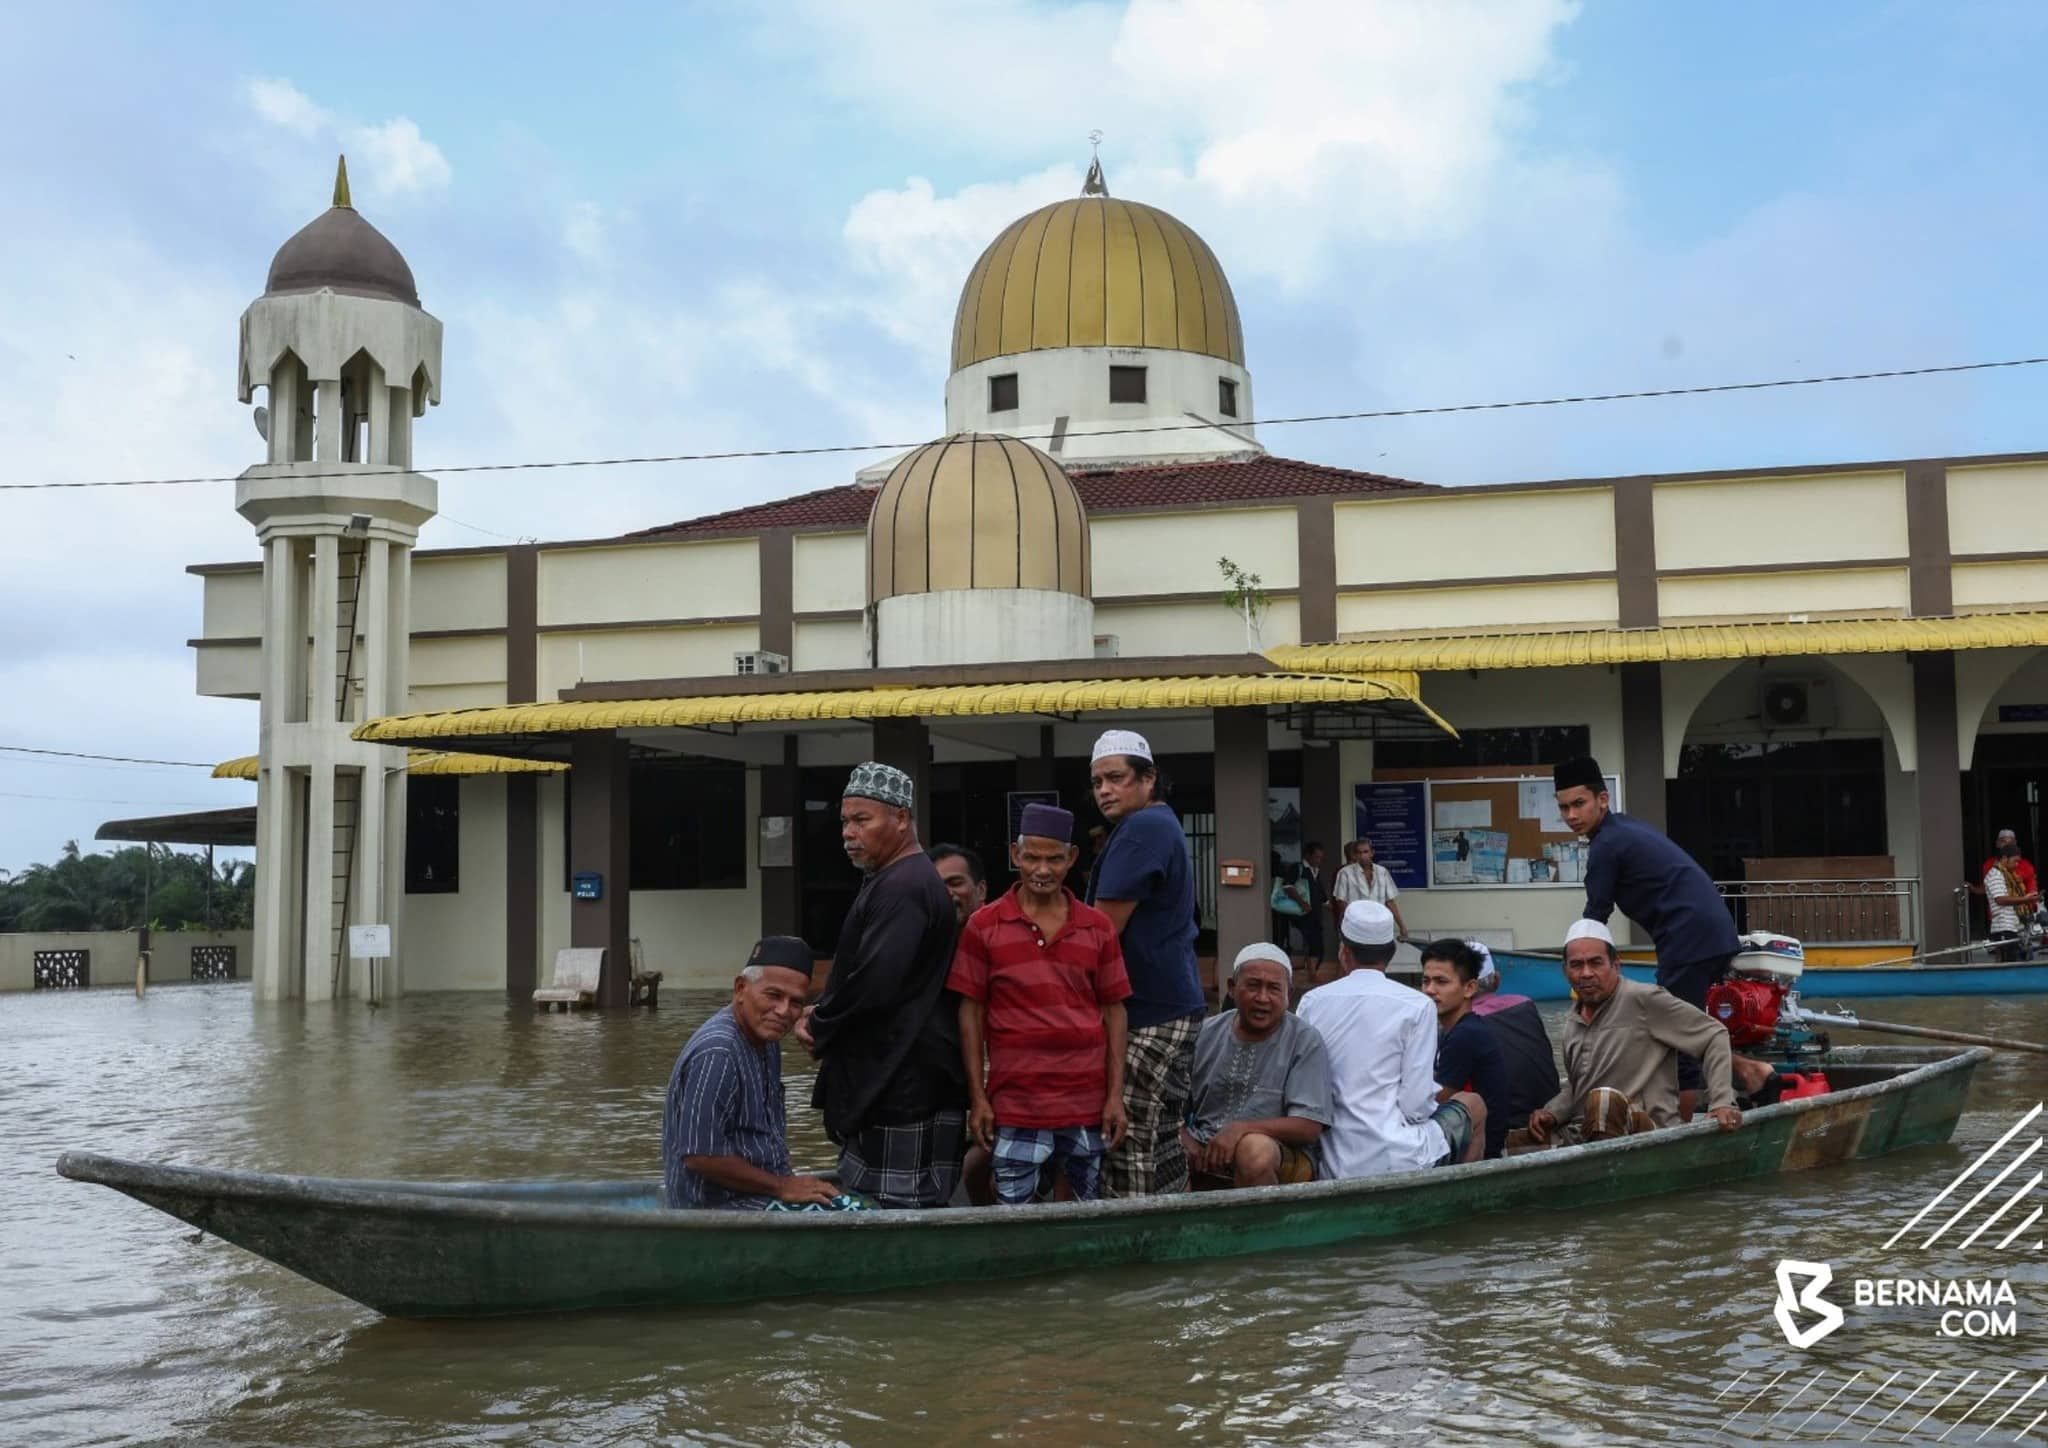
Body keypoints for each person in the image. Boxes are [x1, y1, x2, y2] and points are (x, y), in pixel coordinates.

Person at [1553, 756, 1772, 1110]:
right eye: (1563, 807)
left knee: (1674, 1033)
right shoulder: (1622, 830)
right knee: (1682, 1022)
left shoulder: (1606, 845)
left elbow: (1596, 914)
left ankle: (1680, 1127)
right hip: (1706, 932)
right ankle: (1748, 1069)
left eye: (1579, 804)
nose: (1571, 815)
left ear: (1602, 800)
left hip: (1689, 936)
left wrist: (1577, 967)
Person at [796, 762, 966, 1208]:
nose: (848, 833)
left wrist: (820, 1025)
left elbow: (875, 983)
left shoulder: (904, 885)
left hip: (904, 1083)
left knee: (896, 1211)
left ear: (902, 819)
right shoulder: (893, 879)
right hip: (900, 1077)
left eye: (862, 820)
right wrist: (824, 1012)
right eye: (845, 822)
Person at [951, 803, 1131, 1205]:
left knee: (1084, 1211)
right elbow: (970, 1012)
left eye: (1053, 858)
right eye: (1031, 857)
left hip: (1086, 1101)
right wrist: (978, 1098)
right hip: (1015, 1104)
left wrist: (1114, 1095)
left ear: (1071, 859)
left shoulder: (1097, 926)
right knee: (1014, 1211)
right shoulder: (985, 925)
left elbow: (1114, 1012)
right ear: (1015, 856)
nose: (1043, 869)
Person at [1086, 728, 1208, 1196]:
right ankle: (1175, 1227)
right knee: (1163, 1137)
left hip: (1147, 1011)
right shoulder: (1163, 824)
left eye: (1116, 778)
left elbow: (1101, 931)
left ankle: (1134, 1241)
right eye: (1098, 782)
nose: (1104, 791)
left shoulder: (1142, 829)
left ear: (1148, 778)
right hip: (1179, 1004)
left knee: (1127, 1136)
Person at [1297, 901, 1486, 1175]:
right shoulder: (1417, 1005)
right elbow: (1415, 1108)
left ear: (1344, 952)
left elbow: (1305, 1091)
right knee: (1474, 1104)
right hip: (1398, 1155)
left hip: (1331, 1159)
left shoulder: (1311, 1002)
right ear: (1391, 954)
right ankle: (1460, 1202)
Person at [1525, 920, 1742, 1146]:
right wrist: (1552, 1113)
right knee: (1522, 1139)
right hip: (1585, 1131)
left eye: (1596, 963)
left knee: (1603, 1101)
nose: (1586, 973)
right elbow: (1578, 1088)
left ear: (1616, 966)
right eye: (1576, 965)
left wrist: (1721, 1102)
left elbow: (1713, 1034)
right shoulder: (1572, 1022)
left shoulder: (1643, 1000)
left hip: (1649, 1129)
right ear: (1565, 971)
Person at [662, 935, 839, 1210]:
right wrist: (782, 1186)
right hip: (719, 1206)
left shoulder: (765, 1038)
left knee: (853, 1203)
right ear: (740, 988)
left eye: (795, 1002)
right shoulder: (718, 1053)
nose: (783, 1011)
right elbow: (699, 1154)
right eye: (773, 995)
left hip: (763, 1192)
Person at [1183, 943, 1333, 1188]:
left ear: (1288, 995)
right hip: (1205, 1149)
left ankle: (1259, 1227)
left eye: (1274, 989)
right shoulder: (1206, 1033)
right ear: (1232, 988)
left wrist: (1240, 1130)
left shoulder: (1304, 1039)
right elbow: (1172, 1107)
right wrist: (1186, 1140)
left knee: (1254, 1150)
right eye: (1253, 986)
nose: (1262, 997)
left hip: (1278, 1154)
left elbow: (1308, 1126)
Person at [1417, 939, 1510, 1159]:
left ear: (1469, 988)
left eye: (1441, 982)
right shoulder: (1453, 1031)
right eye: (1425, 981)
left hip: (1481, 1152)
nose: (1430, 990)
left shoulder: (1466, 1035)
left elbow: (1433, 1103)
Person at [1468, 941, 1561, 1142]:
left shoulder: (1463, 1024)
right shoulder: (1525, 1004)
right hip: (1549, 1120)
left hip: (1503, 1133)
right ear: (1497, 980)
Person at [1330, 838, 1406, 940]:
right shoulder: (1345, 873)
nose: (1362, 856)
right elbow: (1341, 902)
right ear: (1355, 855)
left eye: (1365, 852)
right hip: (1356, 928)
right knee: (1357, 955)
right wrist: (1352, 922)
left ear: (1372, 853)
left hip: (1379, 927)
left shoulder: (1382, 872)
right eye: (1359, 853)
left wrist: (1402, 925)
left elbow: (1390, 902)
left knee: (1379, 955)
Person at [1986, 843, 2041, 962]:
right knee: (2008, 965)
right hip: (2003, 927)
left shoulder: (2010, 875)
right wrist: (2025, 899)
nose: (2017, 865)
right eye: (2015, 861)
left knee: (2018, 963)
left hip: (2015, 927)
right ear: (2004, 858)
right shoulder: (1995, 875)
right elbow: (2000, 899)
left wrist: (2028, 898)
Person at [931, 843, 988, 927]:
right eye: (936, 887)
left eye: (955, 883)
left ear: (981, 890)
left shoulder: (1004, 936)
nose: (945, 893)